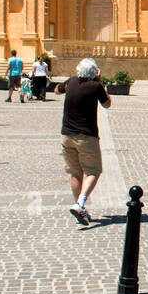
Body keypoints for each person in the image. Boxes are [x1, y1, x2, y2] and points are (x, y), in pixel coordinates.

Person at [54, 58, 111, 225]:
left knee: (76, 173)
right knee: (93, 172)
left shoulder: (71, 82)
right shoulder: (96, 86)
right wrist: (99, 81)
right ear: (95, 73)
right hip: (86, 136)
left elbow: (57, 90)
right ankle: (80, 204)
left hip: (66, 136)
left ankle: (80, 209)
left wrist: (66, 85)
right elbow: (107, 104)